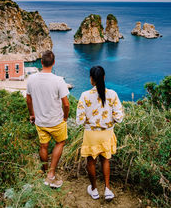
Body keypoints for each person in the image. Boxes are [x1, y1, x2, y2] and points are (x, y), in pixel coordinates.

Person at [76, 66, 124, 200]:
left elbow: (79, 120)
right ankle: (108, 190)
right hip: (106, 134)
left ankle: (94, 190)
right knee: (105, 160)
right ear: (104, 77)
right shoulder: (112, 94)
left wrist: (90, 120)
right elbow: (119, 117)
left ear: (91, 80)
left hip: (91, 135)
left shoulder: (84, 95)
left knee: (91, 162)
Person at [27, 50, 69, 188]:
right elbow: (66, 104)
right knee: (60, 142)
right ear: (54, 63)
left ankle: (45, 172)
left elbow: (28, 99)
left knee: (43, 146)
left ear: (41, 62)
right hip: (56, 121)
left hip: (40, 121)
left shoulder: (32, 79)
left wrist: (32, 114)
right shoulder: (58, 80)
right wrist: (65, 117)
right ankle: (51, 174)